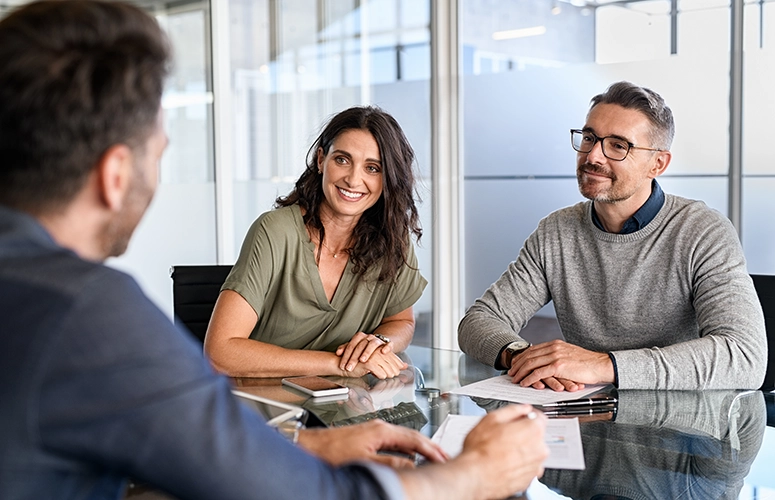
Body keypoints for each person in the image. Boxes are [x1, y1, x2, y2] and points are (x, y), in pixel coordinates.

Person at [0, 1, 549, 499]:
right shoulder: (88, 314)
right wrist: (472, 474)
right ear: (116, 174)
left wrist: (308, 446)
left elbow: (173, 459)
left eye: (373, 168)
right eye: (160, 150)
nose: (354, 177)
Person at [458, 81, 767, 392]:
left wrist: (602, 365)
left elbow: (743, 356)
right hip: (585, 418)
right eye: (589, 138)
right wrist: (523, 357)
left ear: (657, 164)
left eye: (618, 145)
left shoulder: (702, 232)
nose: (593, 156)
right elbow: (478, 321)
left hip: (683, 428)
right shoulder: (556, 231)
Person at [205, 106, 426, 379]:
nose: (354, 179)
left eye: (372, 168)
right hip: (262, 407)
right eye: (342, 160)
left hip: (343, 408)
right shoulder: (275, 231)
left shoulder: (393, 239)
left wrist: (379, 343)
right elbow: (220, 353)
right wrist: (338, 365)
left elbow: (401, 320)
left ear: (388, 178)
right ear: (321, 160)